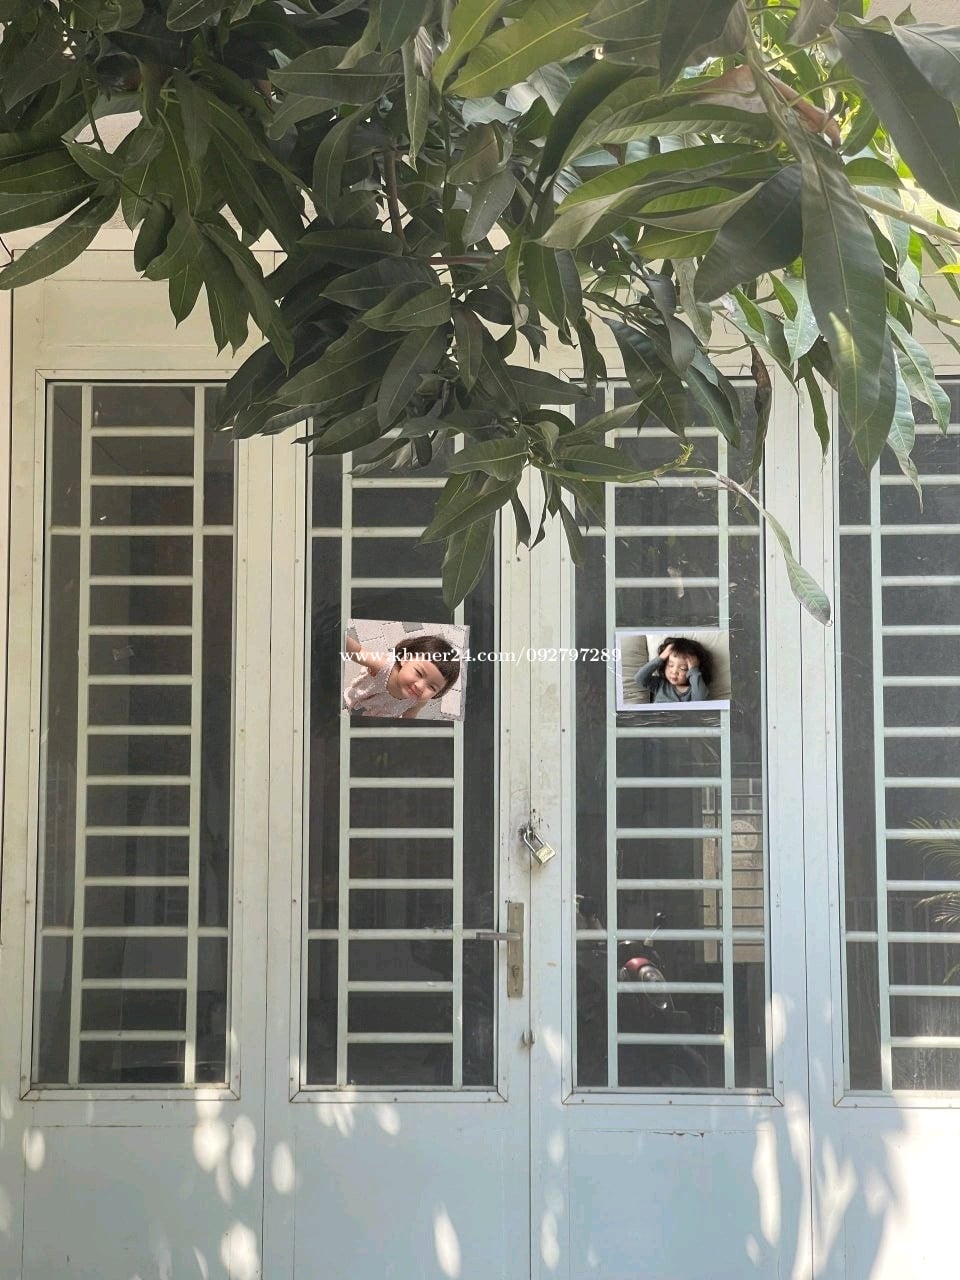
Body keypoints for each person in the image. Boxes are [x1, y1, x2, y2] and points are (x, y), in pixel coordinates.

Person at [343, 631, 461, 719]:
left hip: (382, 714)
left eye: (432, 687)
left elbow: (410, 716)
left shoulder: (419, 701)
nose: (420, 686)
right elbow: (358, 651)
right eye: (419, 673)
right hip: (363, 696)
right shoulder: (383, 666)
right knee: (350, 706)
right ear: (405, 659)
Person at [635, 636, 712, 704]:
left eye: (683, 668)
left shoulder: (695, 689)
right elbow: (639, 678)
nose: (674, 671)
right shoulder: (660, 684)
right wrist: (661, 658)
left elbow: (701, 700)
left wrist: (694, 670)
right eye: (670, 665)